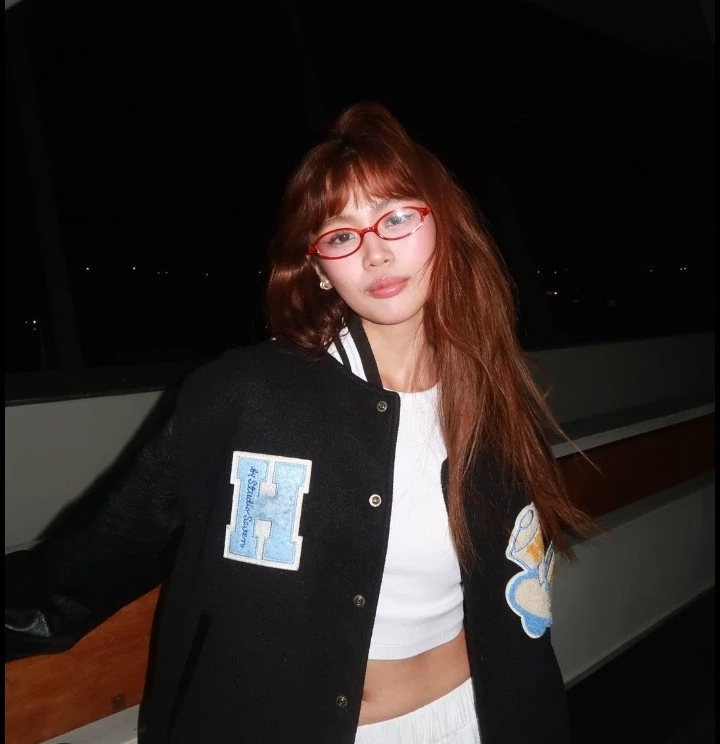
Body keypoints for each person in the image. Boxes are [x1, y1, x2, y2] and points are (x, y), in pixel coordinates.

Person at [5, 101, 598, 744]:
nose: (375, 253)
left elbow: (521, 598)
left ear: (444, 228)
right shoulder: (246, 396)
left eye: (397, 217)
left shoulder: (495, 397)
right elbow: (86, 566)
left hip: (473, 719)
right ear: (318, 267)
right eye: (341, 236)